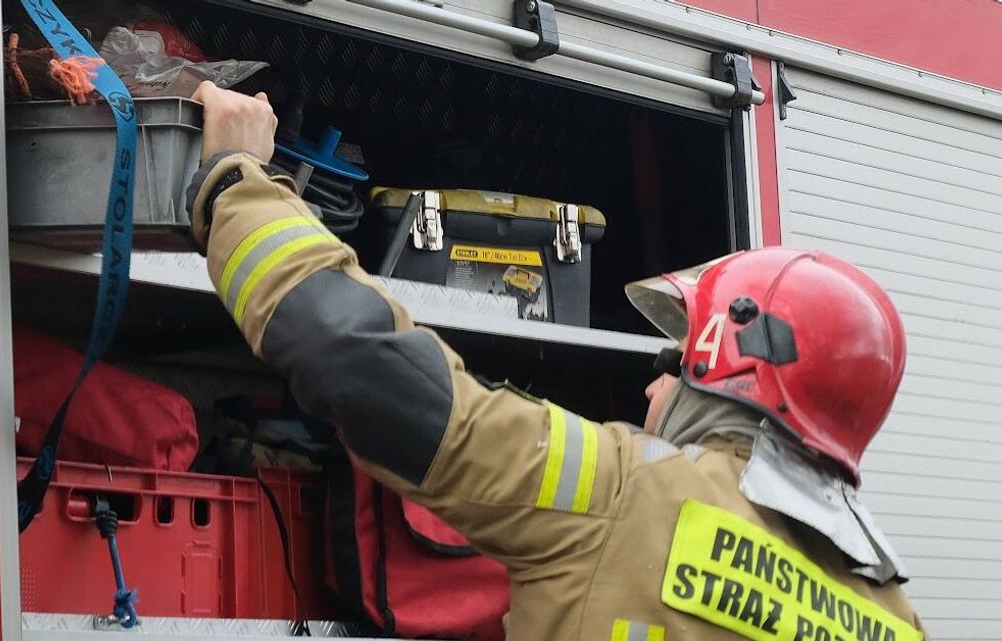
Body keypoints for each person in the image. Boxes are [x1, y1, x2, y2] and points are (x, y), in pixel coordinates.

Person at [185, 82, 929, 640]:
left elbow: (355, 359)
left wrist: (235, 178)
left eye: (674, 361)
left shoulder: (620, 491)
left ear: (725, 368)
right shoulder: (894, 616)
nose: (652, 384)